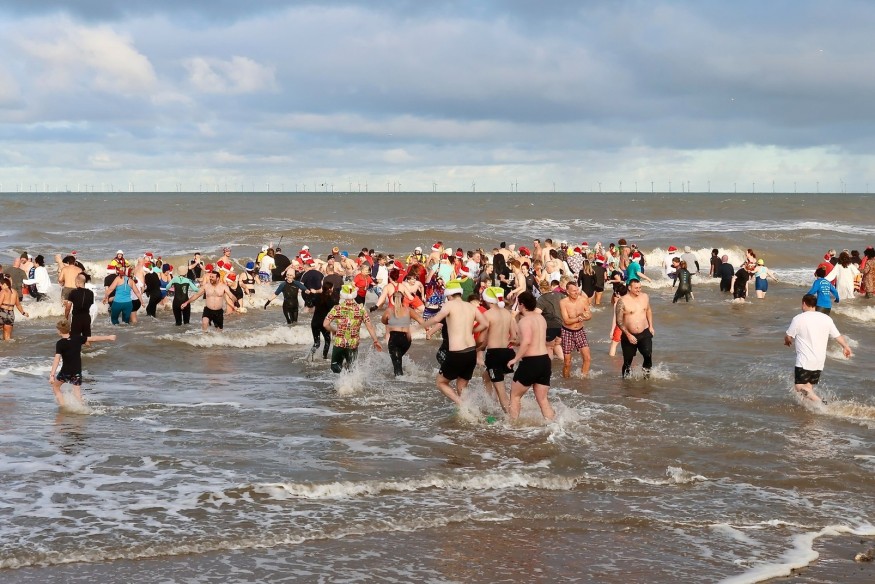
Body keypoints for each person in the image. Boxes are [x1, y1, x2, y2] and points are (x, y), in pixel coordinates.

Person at [422, 280, 488, 406]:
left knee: (441, 382)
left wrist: (418, 327)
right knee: (462, 386)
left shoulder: (450, 305)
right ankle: (470, 411)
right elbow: (485, 323)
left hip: (457, 353)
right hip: (471, 352)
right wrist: (473, 330)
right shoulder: (470, 306)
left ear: (449, 295)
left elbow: (436, 319)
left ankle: (462, 405)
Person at [784, 293, 853, 403]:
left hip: (804, 361)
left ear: (804, 303)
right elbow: (837, 336)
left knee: (798, 387)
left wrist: (787, 341)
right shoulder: (826, 318)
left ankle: (820, 401)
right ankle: (809, 416)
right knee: (808, 387)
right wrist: (845, 346)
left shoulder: (798, 318)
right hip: (819, 361)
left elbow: (789, 336)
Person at [506, 291, 554, 421]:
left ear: (521, 305)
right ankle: (553, 425)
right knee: (543, 400)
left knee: (515, 396)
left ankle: (511, 426)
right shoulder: (540, 318)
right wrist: (516, 343)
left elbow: (527, 342)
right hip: (544, 361)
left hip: (531, 362)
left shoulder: (524, 321)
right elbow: (536, 339)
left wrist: (515, 359)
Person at [49, 320, 116, 407]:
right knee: (77, 393)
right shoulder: (77, 338)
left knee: (55, 387)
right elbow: (93, 338)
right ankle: (81, 410)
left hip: (65, 372)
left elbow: (57, 359)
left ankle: (63, 406)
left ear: (59, 331)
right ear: (69, 329)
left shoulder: (60, 343)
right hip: (77, 371)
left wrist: (52, 375)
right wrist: (109, 337)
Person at [323, 283, 383, 373]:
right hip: (353, 344)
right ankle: (350, 383)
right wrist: (375, 341)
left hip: (339, 342)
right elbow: (369, 326)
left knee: (335, 367)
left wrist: (334, 330)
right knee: (352, 368)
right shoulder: (361, 309)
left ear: (342, 294)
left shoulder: (337, 308)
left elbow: (325, 324)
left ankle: (341, 381)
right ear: (354, 294)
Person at [480, 287, 517, 412]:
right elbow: (513, 336)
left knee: (501, 392)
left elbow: (482, 338)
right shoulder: (507, 313)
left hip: (494, 355)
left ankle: (511, 420)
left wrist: (477, 348)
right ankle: (491, 404)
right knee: (486, 376)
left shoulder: (487, 314)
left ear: (488, 300)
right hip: (508, 353)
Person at [381, 290, 430, 376]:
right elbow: (420, 320)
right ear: (403, 299)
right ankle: (405, 377)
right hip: (406, 340)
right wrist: (428, 330)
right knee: (398, 359)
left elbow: (384, 321)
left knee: (397, 368)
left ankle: (399, 385)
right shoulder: (409, 310)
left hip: (394, 339)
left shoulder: (388, 310)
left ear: (392, 300)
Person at [615, 279, 654, 378]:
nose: (638, 290)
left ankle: (646, 378)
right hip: (629, 335)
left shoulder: (645, 297)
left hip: (644, 332)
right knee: (628, 362)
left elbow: (648, 310)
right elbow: (619, 321)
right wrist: (628, 335)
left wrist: (651, 326)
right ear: (629, 288)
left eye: (640, 287)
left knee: (648, 354)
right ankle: (626, 384)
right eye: (636, 288)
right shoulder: (622, 301)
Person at [559, 282, 592, 377]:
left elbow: (589, 314)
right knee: (567, 363)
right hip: (567, 332)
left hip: (580, 331)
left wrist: (586, 316)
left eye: (577, 290)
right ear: (567, 292)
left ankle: (583, 380)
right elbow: (566, 321)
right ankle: (566, 383)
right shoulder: (563, 302)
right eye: (573, 291)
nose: (576, 292)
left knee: (587, 358)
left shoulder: (583, 300)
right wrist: (579, 318)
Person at [536, 279, 565, 361]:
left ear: (541, 289)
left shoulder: (542, 299)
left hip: (550, 326)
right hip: (562, 324)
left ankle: (549, 367)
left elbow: (537, 313)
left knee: (549, 347)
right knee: (557, 344)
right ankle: (563, 361)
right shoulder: (560, 295)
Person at [311, 282, 338, 359]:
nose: (333, 289)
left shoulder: (317, 296)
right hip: (323, 323)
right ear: (329, 289)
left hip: (314, 322)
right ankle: (324, 357)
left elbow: (311, 303)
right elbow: (334, 309)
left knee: (316, 343)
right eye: (332, 288)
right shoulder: (330, 299)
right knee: (327, 341)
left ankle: (311, 357)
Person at [65, 273, 94, 339]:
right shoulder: (90, 293)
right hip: (86, 318)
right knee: (87, 339)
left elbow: (68, 307)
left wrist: (66, 317)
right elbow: (90, 304)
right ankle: (90, 349)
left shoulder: (73, 292)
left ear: (78, 282)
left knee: (74, 339)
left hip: (77, 319)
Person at [1, 275, 28, 340]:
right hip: (11, 314)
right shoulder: (15, 292)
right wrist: (23, 313)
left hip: (2, 313)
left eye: (1, 285)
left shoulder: (3, 291)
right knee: (7, 335)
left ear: (5, 284)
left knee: (3, 330)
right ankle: (9, 348)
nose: (1, 286)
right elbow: (18, 305)